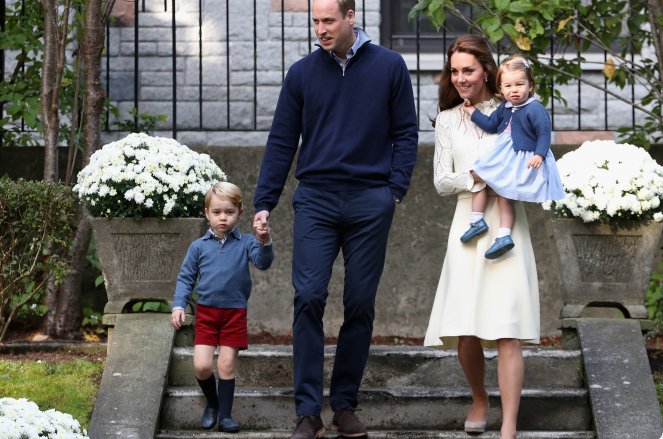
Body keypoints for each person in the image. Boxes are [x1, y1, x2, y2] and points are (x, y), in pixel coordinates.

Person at [252, 0, 418, 437]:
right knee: (308, 297)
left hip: (370, 201)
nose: (320, 29)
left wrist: (394, 192)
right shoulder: (302, 73)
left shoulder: (389, 66)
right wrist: (264, 201)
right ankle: (308, 412)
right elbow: (282, 140)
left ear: (350, 17)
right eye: (315, 21)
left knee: (360, 304)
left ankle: (344, 404)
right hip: (317, 200)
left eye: (328, 20)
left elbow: (406, 132)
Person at [424, 35, 540, 439]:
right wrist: (474, 177)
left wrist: (512, 173)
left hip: (508, 223)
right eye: (454, 71)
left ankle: (509, 423)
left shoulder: (514, 109)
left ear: (487, 71)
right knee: (466, 326)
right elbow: (440, 181)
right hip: (467, 224)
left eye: (468, 70)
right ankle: (479, 399)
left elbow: (532, 162)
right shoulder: (448, 120)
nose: (460, 78)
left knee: (508, 326)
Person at [171, 181, 274, 434]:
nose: (222, 218)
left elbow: (263, 263)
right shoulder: (198, 247)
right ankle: (213, 403)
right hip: (207, 313)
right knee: (202, 366)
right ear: (207, 213)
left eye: (229, 212)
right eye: (217, 212)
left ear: (239, 213)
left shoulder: (246, 243)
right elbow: (186, 278)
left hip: (234, 314)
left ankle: (226, 416)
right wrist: (178, 305)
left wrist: (264, 240)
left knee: (226, 365)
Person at [460, 54, 564, 260]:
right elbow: (490, 124)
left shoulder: (534, 108)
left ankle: (503, 234)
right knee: (480, 178)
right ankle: (477, 221)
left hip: (520, 157)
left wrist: (539, 155)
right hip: (504, 156)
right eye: (507, 86)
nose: (513, 90)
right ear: (501, 89)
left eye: (519, 84)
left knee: (502, 193)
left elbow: (544, 133)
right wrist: (472, 112)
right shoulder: (505, 107)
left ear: (530, 86)